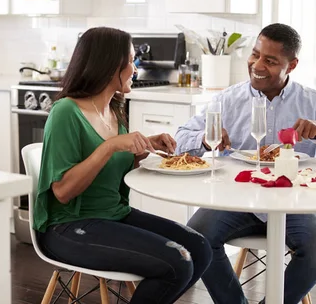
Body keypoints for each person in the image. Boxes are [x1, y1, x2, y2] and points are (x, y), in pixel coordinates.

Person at [175, 23, 316, 304]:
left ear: (292, 64)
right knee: (196, 238)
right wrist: (205, 139)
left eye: (271, 60)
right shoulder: (228, 100)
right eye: (255, 55)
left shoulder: (313, 102)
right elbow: (181, 137)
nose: (257, 65)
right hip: (236, 199)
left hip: (295, 202)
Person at [34, 27, 212, 304]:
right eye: (130, 60)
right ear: (108, 66)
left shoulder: (113, 109)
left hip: (113, 214)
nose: (135, 67)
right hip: (69, 227)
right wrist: (111, 146)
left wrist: (142, 148)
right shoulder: (66, 112)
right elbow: (63, 191)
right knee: (177, 262)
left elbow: (108, 167)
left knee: (200, 248)